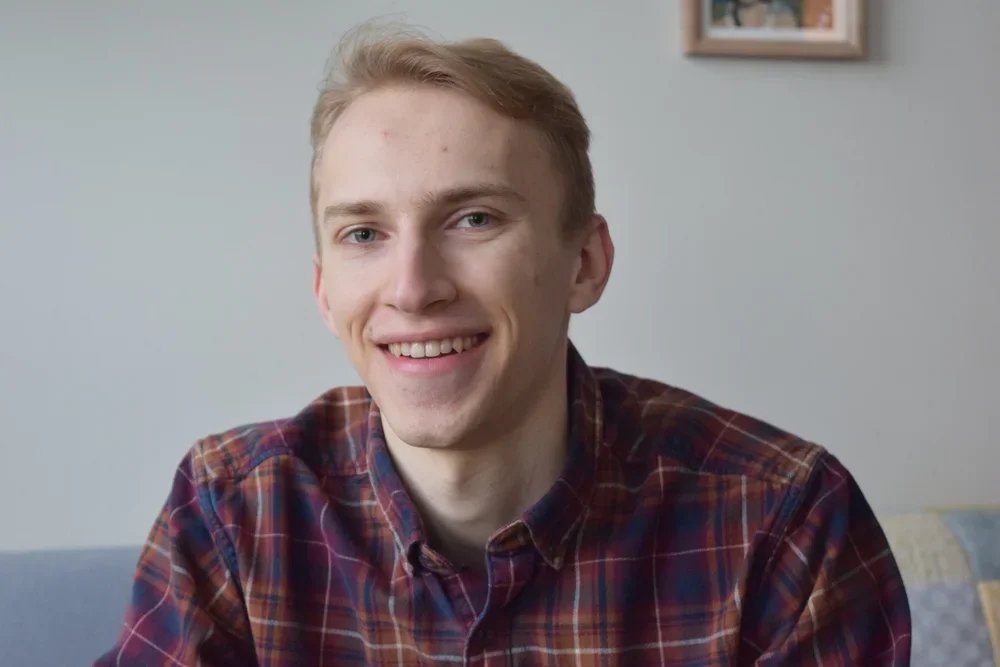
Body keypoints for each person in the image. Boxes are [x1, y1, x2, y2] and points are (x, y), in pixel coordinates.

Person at [95, 24, 911, 666]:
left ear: (583, 264)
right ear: (324, 291)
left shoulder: (784, 523)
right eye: (364, 232)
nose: (412, 287)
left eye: (473, 219)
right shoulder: (234, 515)